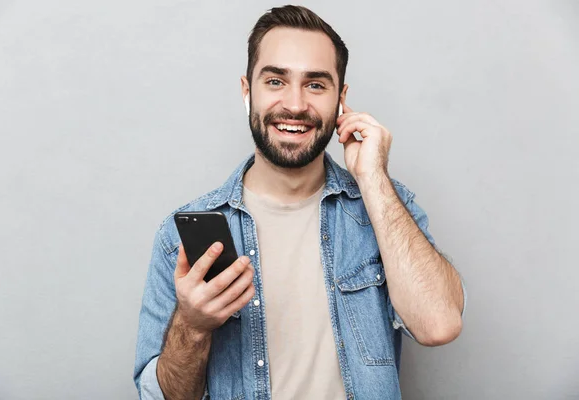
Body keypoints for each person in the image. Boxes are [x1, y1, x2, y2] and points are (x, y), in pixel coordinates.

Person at [134, 5, 467, 400]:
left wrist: (373, 177)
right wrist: (193, 326)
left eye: (315, 84)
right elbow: (160, 397)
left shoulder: (386, 209)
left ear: (341, 99)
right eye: (275, 81)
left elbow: (439, 325)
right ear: (247, 92)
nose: (294, 104)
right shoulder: (180, 237)